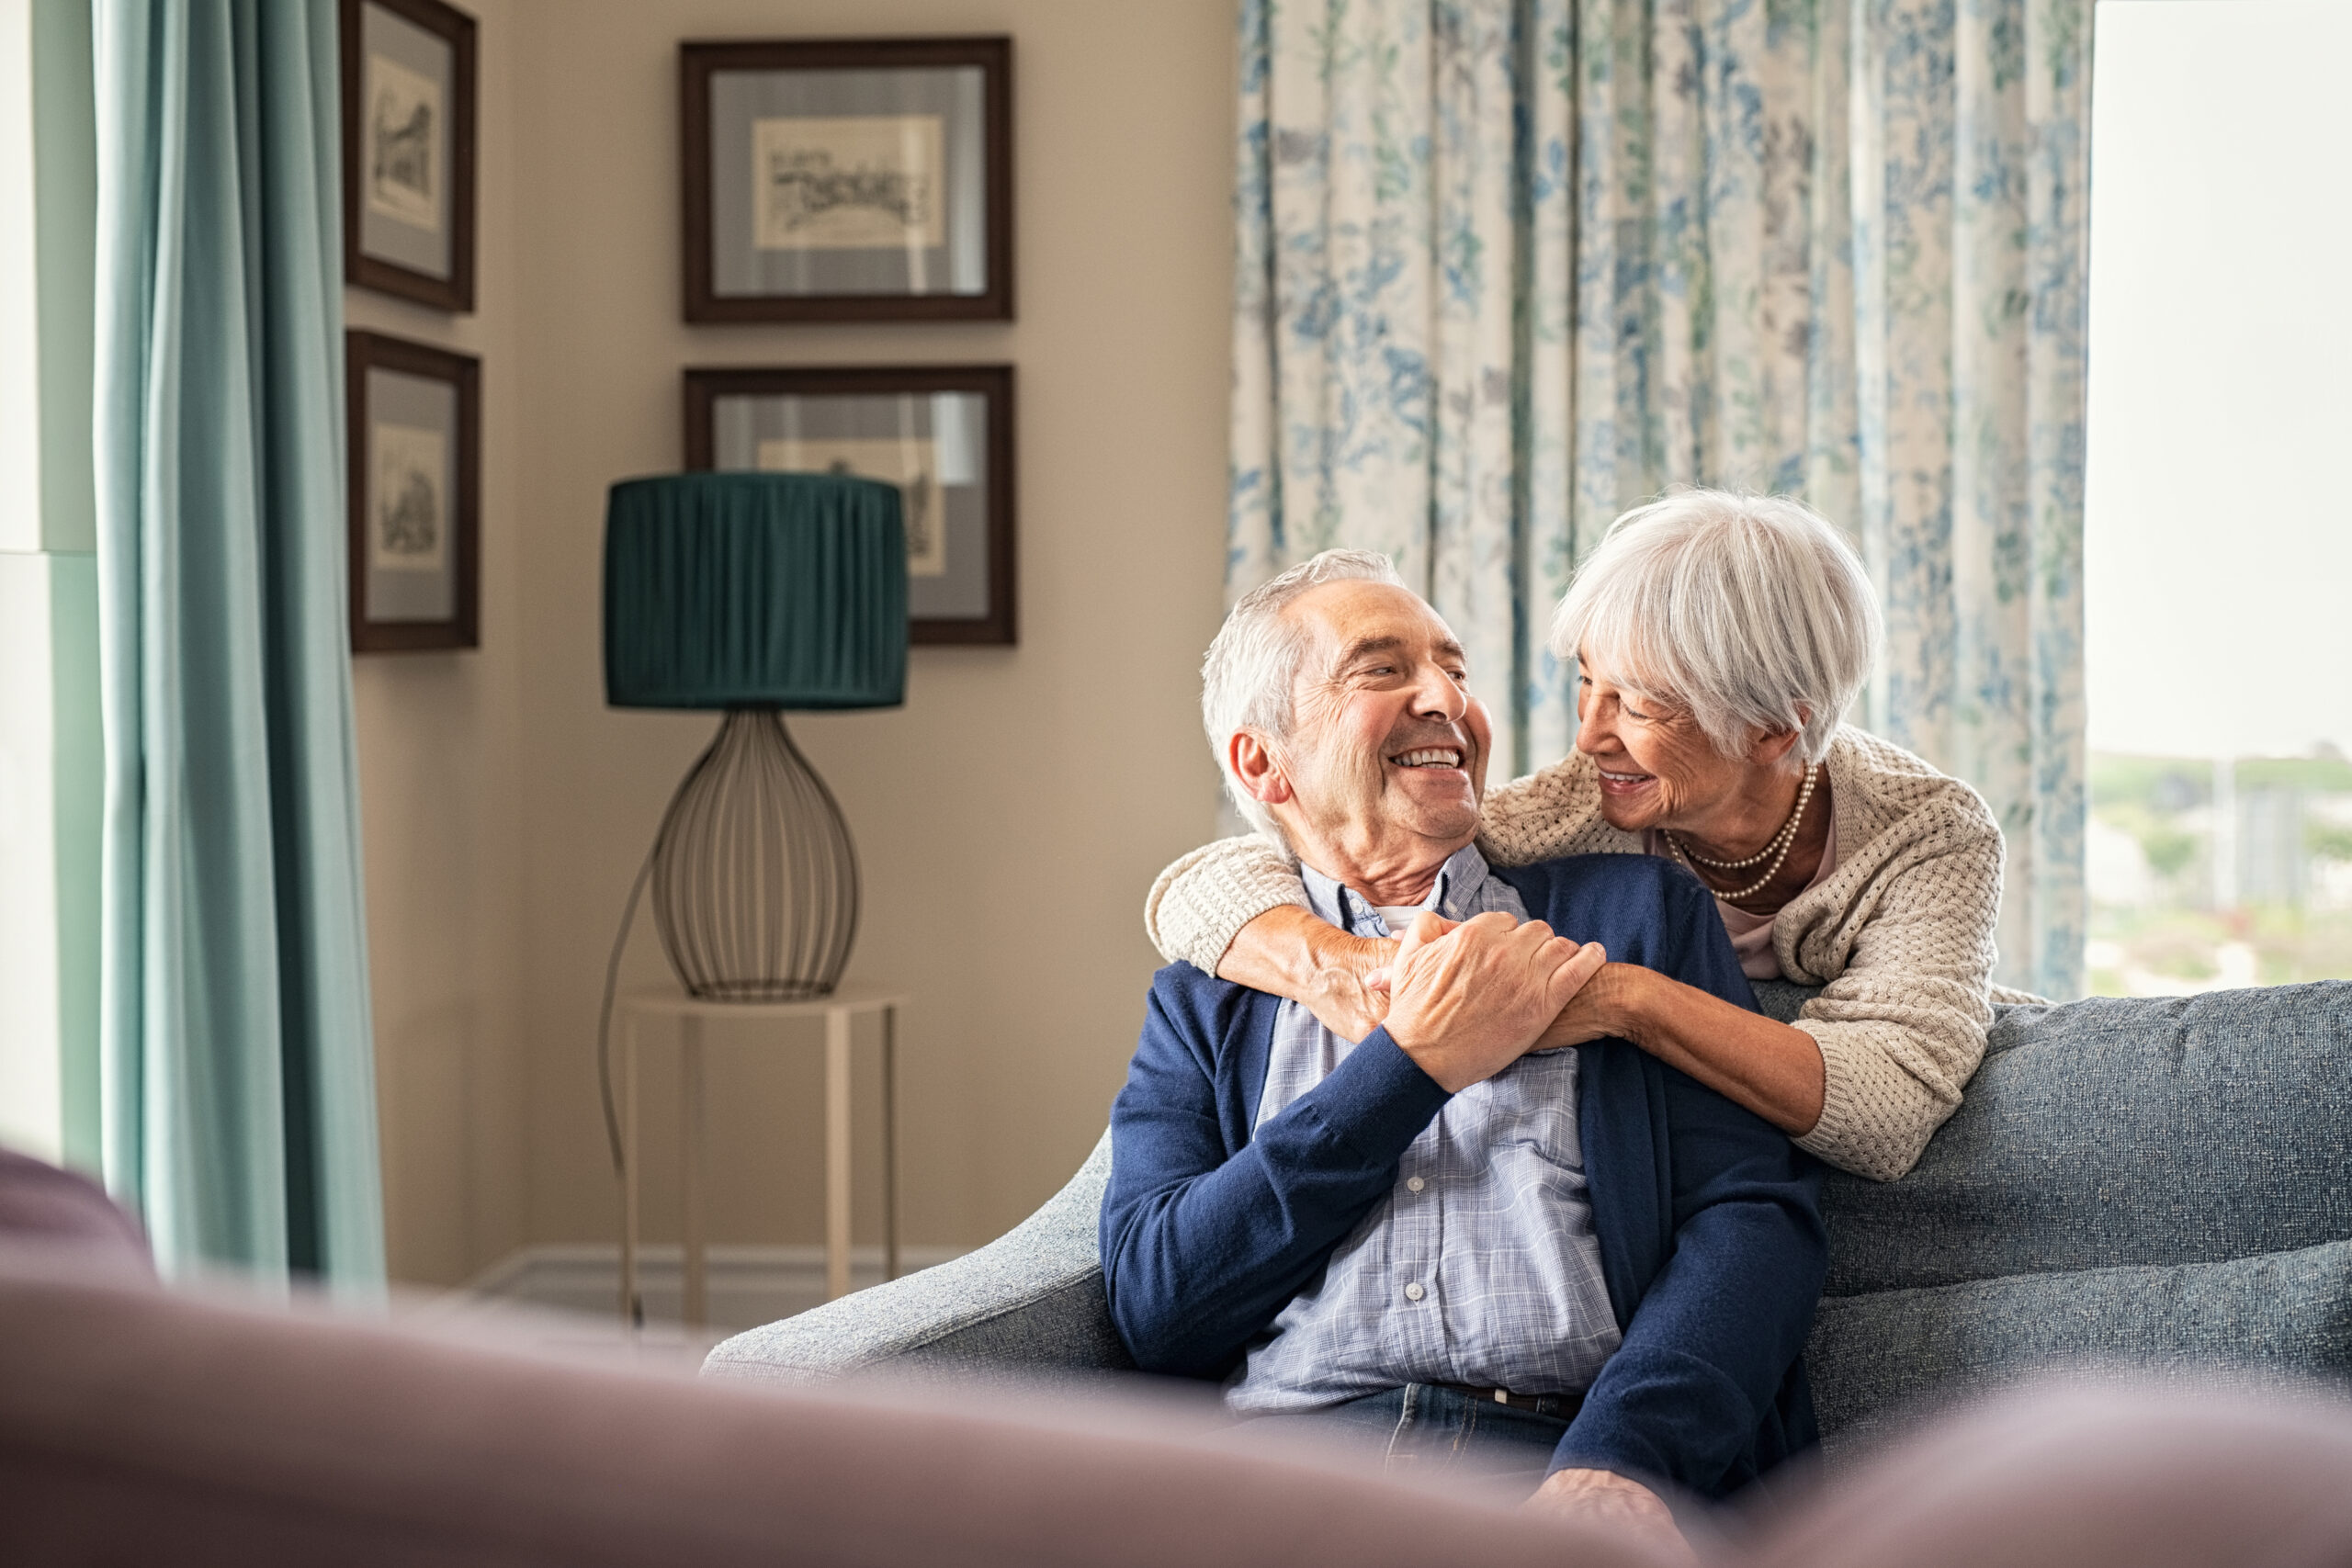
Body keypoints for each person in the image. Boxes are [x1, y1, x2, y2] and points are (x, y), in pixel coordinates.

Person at [1101, 552, 1824, 1560]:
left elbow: (1754, 1224)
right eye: (1381, 671)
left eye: (1455, 670)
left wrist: (1622, 1462)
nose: (1446, 699)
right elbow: (1158, 1305)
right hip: (1290, 1482)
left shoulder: (1632, 919)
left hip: (1557, 1462)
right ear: (1265, 764)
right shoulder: (1207, 993)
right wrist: (1411, 1067)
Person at [1145, 490, 2011, 1183]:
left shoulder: (1928, 835)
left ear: (1773, 730)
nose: (1591, 736)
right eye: (1588, 684)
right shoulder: (1579, 805)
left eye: (1635, 703)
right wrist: (1343, 964)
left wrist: (1623, 1001)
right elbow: (1212, 879)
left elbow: (1888, 1109)